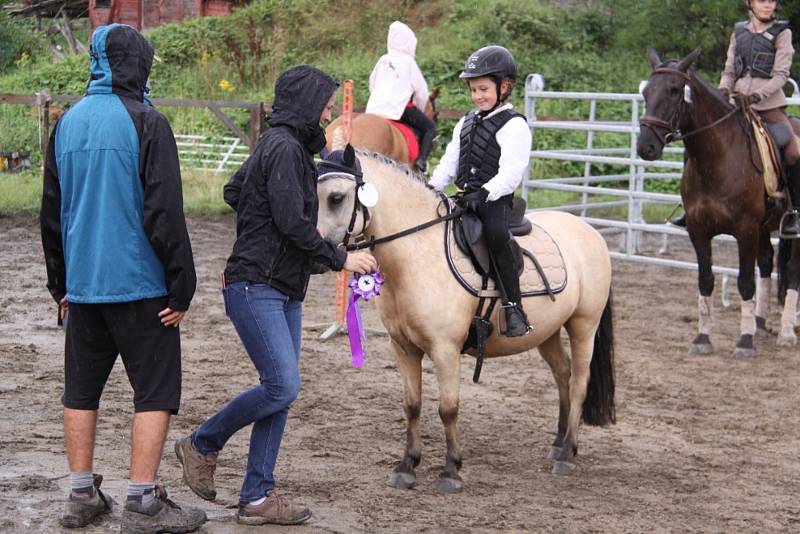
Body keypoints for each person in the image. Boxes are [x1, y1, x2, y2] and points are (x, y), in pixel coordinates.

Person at [174, 65, 377, 526]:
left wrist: (262, 216)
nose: (328, 112)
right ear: (306, 104)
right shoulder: (284, 148)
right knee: (282, 385)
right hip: (256, 285)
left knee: (279, 392)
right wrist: (340, 259)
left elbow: (234, 190)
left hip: (282, 286)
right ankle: (203, 443)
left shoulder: (284, 149)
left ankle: (257, 497)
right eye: (325, 104)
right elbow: (291, 224)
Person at [40, 24, 205, 533]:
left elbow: (51, 215)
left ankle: (81, 493)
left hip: (83, 288)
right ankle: (141, 502)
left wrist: (59, 286)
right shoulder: (148, 123)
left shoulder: (64, 124)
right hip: (143, 288)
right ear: (138, 64)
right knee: (154, 391)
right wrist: (183, 286)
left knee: (80, 391)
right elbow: (164, 214)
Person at [428, 45, 533, 337]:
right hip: (464, 198)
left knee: (496, 238)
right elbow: (450, 160)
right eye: (473, 90)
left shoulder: (514, 126)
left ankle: (514, 307)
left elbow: (512, 172)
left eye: (484, 89)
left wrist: (485, 192)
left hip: (493, 201)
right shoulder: (466, 121)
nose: (478, 96)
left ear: (505, 86)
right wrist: (432, 187)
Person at [672, 0, 798, 235]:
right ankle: (690, 203)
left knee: (792, 149)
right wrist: (723, 92)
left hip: (768, 106)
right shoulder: (739, 32)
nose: (768, 5)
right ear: (750, 3)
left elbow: (781, 75)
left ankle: (794, 213)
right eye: (762, 0)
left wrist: (757, 96)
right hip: (734, 104)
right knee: (696, 142)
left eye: (771, 1)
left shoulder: (783, 33)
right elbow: (729, 71)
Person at [365, 20, 436, 173]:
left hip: (374, 108)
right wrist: (420, 106)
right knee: (430, 127)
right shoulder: (409, 62)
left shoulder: (383, 59)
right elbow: (422, 92)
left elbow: (372, 83)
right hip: (399, 109)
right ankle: (421, 162)